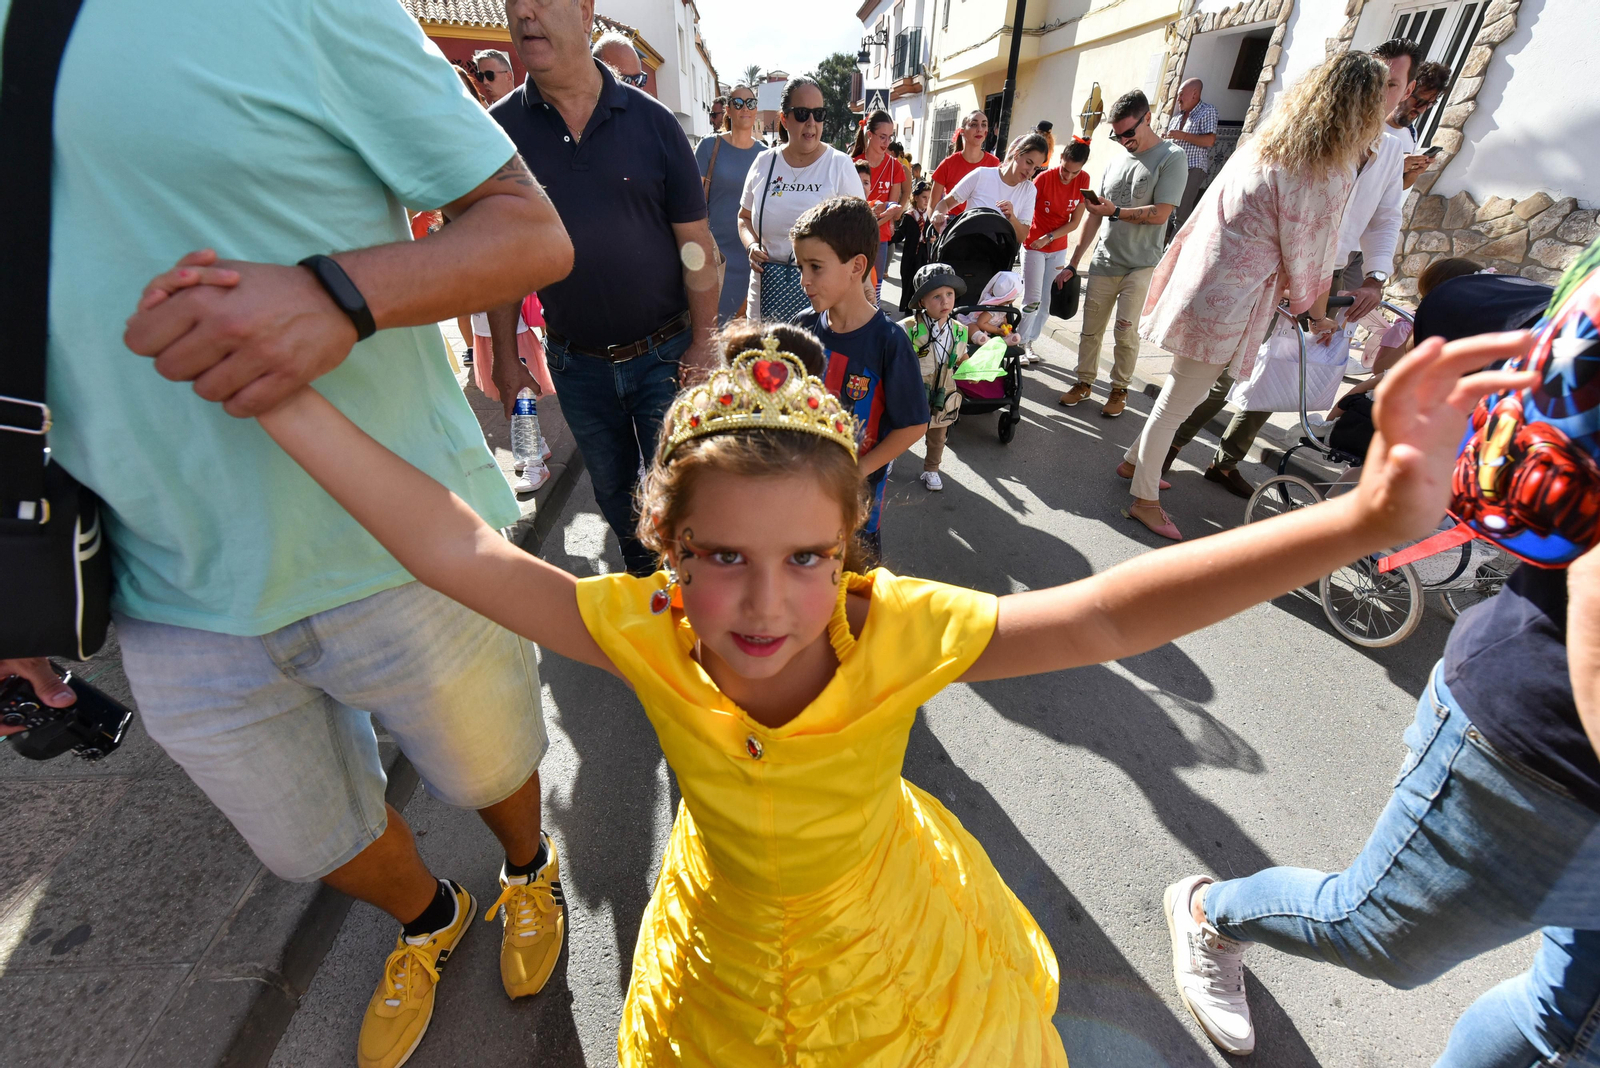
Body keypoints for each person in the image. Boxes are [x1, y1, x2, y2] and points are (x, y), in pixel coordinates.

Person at [197, 238, 1529, 1063]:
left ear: (850, 555)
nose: (766, 604)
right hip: (719, 960)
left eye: (804, 559)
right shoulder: (645, 630)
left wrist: (1360, 519)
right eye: (723, 557)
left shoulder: (892, 633)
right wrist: (286, 407)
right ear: (669, 554)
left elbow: (1118, 614)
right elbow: (458, 548)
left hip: (892, 959)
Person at [5, 2, 572, 1067]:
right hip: (157, 590)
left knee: (495, 759)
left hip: (401, 544)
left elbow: (529, 229)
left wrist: (337, 297)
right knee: (309, 840)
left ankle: (528, 868)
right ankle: (430, 919)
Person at [1165, 246, 1597, 1063]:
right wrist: (1374, 514)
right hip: (1548, 739)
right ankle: (1210, 912)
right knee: (1379, 935)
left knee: (1575, 1024)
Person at [487, 0, 721, 577]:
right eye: (514, 3)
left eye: (541, 1)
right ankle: (649, 601)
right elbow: (498, 256)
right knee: (617, 496)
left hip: (666, 357)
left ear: (585, 9)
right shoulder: (496, 132)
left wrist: (703, 340)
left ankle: (692, 602)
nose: (525, 14)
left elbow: (696, 246)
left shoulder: (654, 123)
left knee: (683, 490)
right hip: (578, 366)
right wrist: (506, 354)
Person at [1118, 51, 1390, 540]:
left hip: (1202, 281)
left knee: (1183, 389)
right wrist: (1318, 316)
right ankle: (1144, 498)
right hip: (1232, 298)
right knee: (1181, 398)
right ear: (1363, 109)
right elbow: (1316, 254)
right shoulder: (1324, 169)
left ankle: (1134, 462)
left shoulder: (1267, 145)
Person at [1160, 37, 1423, 500]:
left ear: (1406, 89)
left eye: (1393, 85)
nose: (1380, 94)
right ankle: (1164, 447)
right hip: (1272, 274)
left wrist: (1377, 277)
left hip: (1331, 275)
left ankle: (1225, 461)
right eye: (1375, 82)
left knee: (1284, 373)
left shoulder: (1392, 151)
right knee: (1225, 370)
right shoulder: (1311, 133)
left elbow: (1385, 218)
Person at [792, 197, 929, 563]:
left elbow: (914, 424)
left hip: (857, 509)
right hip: (800, 498)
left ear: (856, 267)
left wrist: (858, 470)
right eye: (801, 266)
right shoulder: (802, 327)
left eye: (815, 267)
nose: (804, 280)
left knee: (853, 598)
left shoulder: (889, 342)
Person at [1057, 89, 1188, 419]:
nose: (1124, 140)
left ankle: (1119, 389)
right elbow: (1096, 213)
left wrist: (1116, 212)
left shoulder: (1172, 156)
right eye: (1117, 136)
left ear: (1147, 118)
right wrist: (1074, 262)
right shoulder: (1116, 160)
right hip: (1105, 260)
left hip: (1141, 264)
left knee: (1125, 330)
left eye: (1129, 132)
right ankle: (1084, 382)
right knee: (1090, 328)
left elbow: (1160, 213)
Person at [738, 77, 862, 323]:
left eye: (818, 114)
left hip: (823, 296)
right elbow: (743, 218)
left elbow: (860, 235)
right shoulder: (764, 162)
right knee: (766, 358)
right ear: (784, 118)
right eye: (802, 113)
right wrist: (751, 246)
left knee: (812, 360)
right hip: (767, 289)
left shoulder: (839, 165)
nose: (811, 123)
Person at [695, 83, 764, 324]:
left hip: (752, 255)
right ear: (728, 110)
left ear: (756, 110)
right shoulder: (708, 147)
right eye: (738, 103)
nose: (745, 107)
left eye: (751, 103)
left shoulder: (766, 156)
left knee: (748, 334)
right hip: (716, 254)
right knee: (715, 331)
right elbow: (692, 202)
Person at [1019, 137, 1092, 364]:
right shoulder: (1043, 179)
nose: (1068, 176)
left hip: (1056, 247)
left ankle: (1029, 343)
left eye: (1074, 172)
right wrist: (1036, 237)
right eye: (1065, 169)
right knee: (1032, 298)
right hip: (1034, 246)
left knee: (1046, 301)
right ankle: (1018, 343)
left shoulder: (1084, 180)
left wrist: (1049, 237)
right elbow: (1026, 210)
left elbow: (1075, 222)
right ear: (1060, 159)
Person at [901, 262, 970, 491]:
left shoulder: (960, 330)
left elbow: (962, 358)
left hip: (944, 393)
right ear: (922, 302)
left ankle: (932, 470)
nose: (945, 301)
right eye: (937, 296)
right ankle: (888, 458)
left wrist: (974, 369)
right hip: (913, 391)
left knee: (938, 437)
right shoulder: (908, 328)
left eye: (949, 294)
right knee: (900, 429)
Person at [930, 132, 1048, 246]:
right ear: (1017, 154)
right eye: (1028, 162)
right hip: (966, 251)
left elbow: (1022, 237)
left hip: (997, 259)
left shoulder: (1029, 190)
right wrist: (938, 214)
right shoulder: (982, 174)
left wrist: (1011, 217)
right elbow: (945, 203)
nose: (1030, 171)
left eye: (1035, 168)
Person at [852, 109, 910, 305]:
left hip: (880, 235)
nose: (887, 143)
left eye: (889, 137)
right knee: (852, 284)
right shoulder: (852, 162)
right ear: (870, 135)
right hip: (855, 234)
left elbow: (892, 207)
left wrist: (879, 220)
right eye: (882, 137)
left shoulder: (894, 166)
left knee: (875, 287)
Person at [928, 110, 1000, 233]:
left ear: (987, 131)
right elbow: (933, 204)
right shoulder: (947, 164)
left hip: (981, 225)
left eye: (984, 125)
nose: (979, 129)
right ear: (962, 131)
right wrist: (936, 227)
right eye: (973, 124)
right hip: (952, 225)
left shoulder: (994, 164)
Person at [1163, 78, 1218, 234]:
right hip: (1173, 169)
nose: (1178, 99)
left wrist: (1183, 136)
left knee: (1181, 213)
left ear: (1195, 94)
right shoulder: (1177, 118)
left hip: (1192, 168)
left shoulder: (1207, 111)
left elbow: (1209, 140)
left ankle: (1174, 252)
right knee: (1165, 208)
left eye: (1181, 94)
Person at [1396, 60, 1451, 188]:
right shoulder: (1372, 125)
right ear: (1406, 91)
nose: (1421, 109)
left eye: (1429, 104)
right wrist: (1396, 165)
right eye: (1419, 101)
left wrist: (1414, 172)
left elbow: (1400, 187)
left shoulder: (1411, 133)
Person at [897, 179, 935, 301]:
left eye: (929, 198)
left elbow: (936, 233)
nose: (926, 201)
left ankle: (921, 306)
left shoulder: (931, 217)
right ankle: (907, 306)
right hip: (910, 253)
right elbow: (900, 234)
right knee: (908, 279)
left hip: (924, 253)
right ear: (916, 197)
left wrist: (934, 239)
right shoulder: (909, 216)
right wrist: (886, 238)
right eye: (924, 197)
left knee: (923, 281)